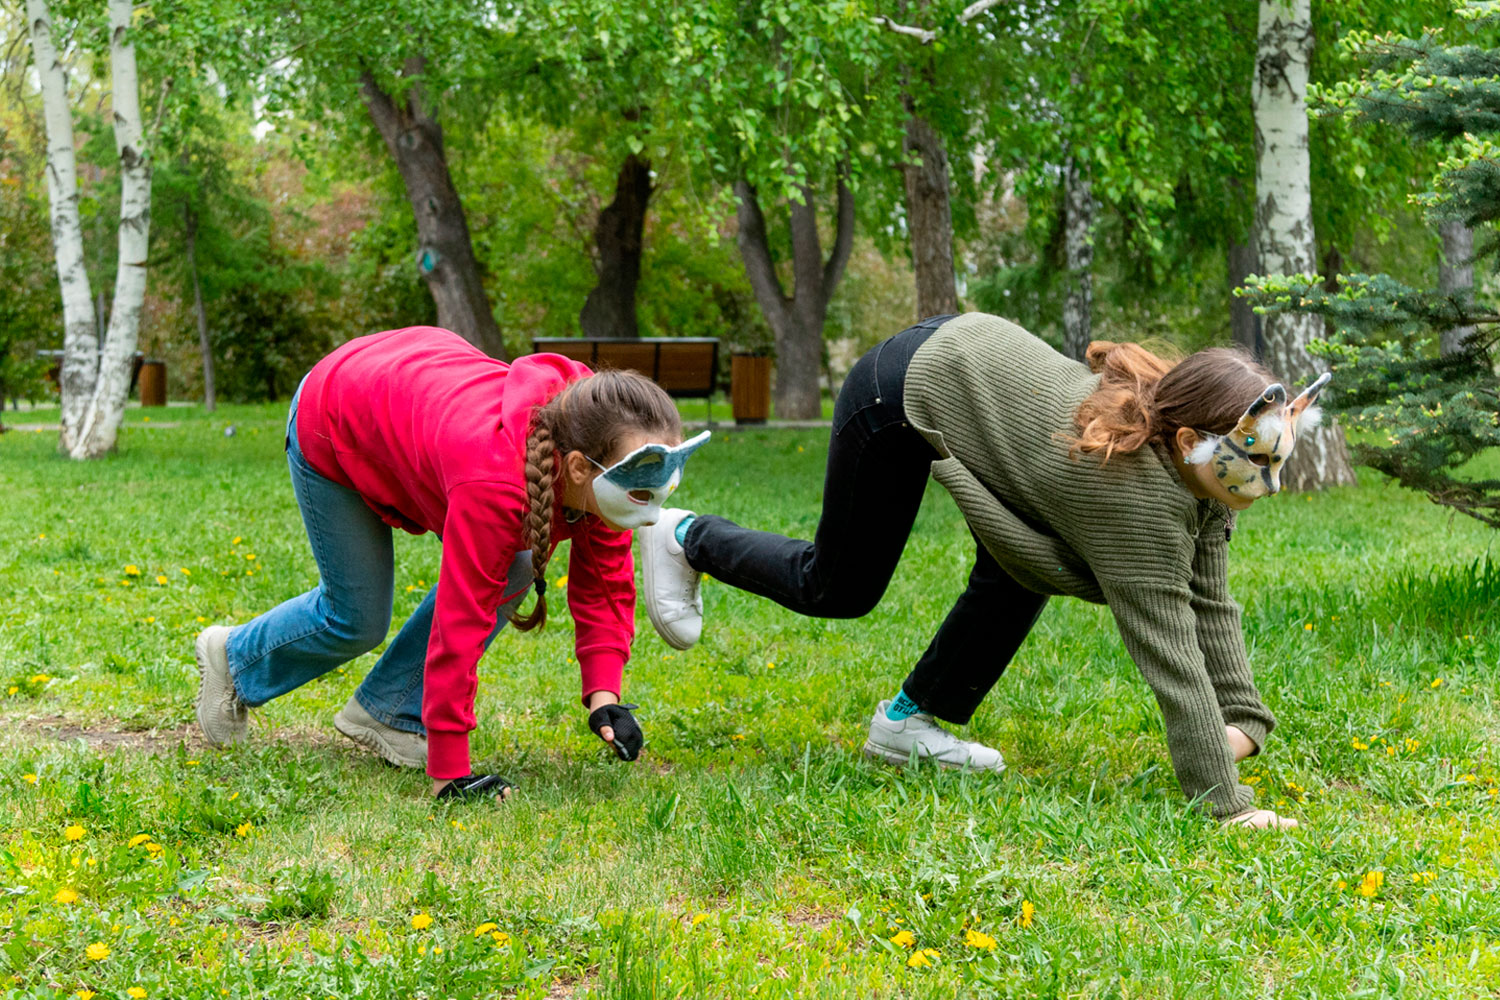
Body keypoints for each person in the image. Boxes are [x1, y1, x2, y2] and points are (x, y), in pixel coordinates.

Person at [638, 313, 1329, 828]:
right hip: (899, 389)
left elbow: (1210, 598)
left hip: (968, 364)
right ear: (1189, 440)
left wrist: (1243, 714)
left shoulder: (1196, 470)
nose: (1270, 481)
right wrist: (1225, 803)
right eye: (1259, 462)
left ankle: (906, 724)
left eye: (1278, 459)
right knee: (838, 587)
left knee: (1023, 567)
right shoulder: (1137, 503)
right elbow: (1170, 646)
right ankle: (687, 536)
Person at [193, 326, 708, 801]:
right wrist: (449, 774)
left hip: (411, 386)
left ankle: (390, 713)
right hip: (338, 413)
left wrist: (605, 696)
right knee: (355, 618)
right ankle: (233, 659)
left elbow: (603, 587)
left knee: (515, 564)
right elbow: (461, 622)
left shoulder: (600, 436)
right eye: (642, 493)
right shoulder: (497, 483)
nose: (651, 510)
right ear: (577, 468)